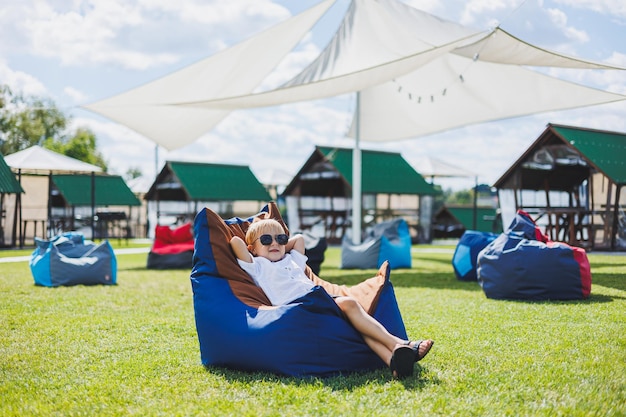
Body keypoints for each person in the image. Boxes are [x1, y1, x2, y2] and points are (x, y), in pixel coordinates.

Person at [229, 217, 434, 378]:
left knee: (355, 326)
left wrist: (276, 242)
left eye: (280, 239)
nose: (275, 243)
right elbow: (236, 241)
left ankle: (393, 359)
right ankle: (402, 343)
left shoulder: (292, 260)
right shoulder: (257, 266)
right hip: (298, 307)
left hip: (318, 299)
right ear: (252, 249)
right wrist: (259, 231)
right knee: (350, 303)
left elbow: (299, 239)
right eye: (266, 240)